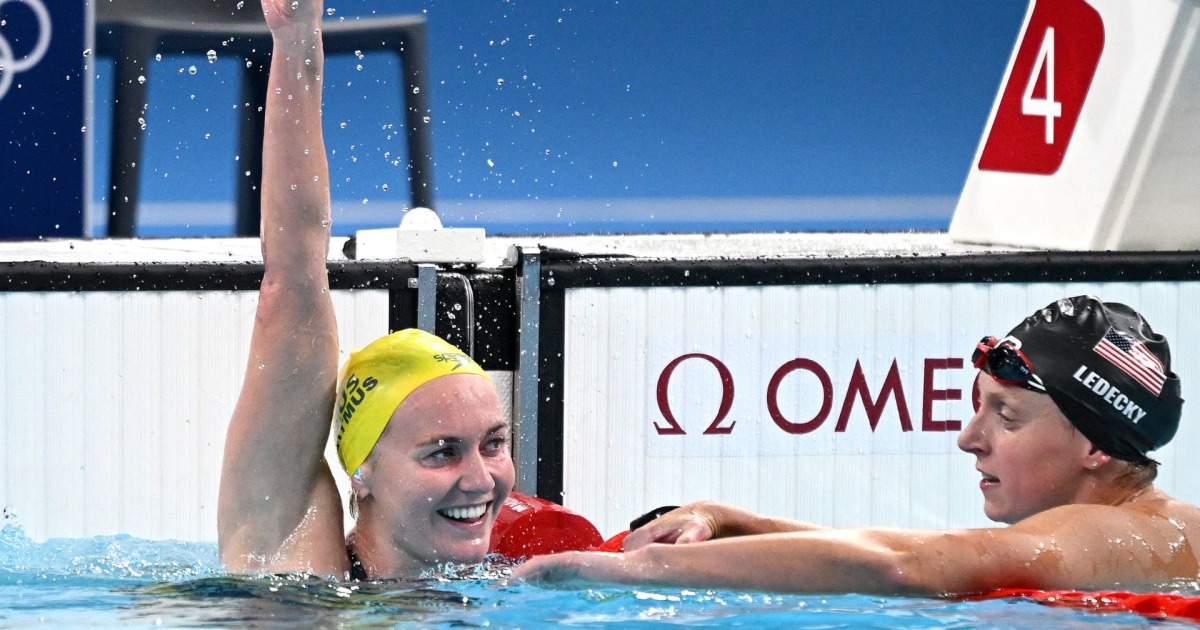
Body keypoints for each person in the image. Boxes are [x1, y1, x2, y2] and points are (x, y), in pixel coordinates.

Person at [512, 296, 1200, 594]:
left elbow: (907, 567)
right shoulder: (1146, 531)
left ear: (1096, 447)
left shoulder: (1103, 535)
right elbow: (920, 553)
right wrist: (740, 522)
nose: (969, 439)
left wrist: (633, 576)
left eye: (1007, 417)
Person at [216, 0, 513, 579]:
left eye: (494, 443)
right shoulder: (296, 556)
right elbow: (293, 280)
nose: (481, 479)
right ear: (364, 471)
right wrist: (298, 37)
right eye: (442, 451)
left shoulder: (521, 568)